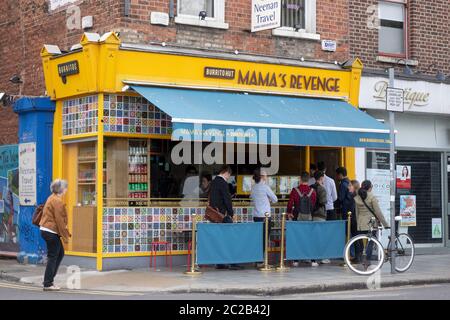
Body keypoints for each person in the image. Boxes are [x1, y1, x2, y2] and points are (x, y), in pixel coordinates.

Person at [39, 179, 71, 291]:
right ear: (61, 189)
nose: (66, 190)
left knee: (60, 253)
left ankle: (49, 280)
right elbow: (60, 220)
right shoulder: (57, 201)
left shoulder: (52, 197)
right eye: (66, 187)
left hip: (47, 230)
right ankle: (48, 283)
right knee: (53, 256)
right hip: (50, 231)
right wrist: (66, 236)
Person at [209, 165, 241, 270]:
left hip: (214, 215)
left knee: (219, 239)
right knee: (230, 238)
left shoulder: (213, 182)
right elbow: (227, 200)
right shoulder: (222, 183)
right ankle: (232, 262)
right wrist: (231, 213)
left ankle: (220, 262)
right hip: (222, 216)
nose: (228, 177)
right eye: (229, 175)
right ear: (226, 172)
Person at [353, 180, 390, 264]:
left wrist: (358, 223)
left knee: (362, 240)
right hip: (371, 223)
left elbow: (356, 213)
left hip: (361, 223)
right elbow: (378, 212)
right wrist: (385, 224)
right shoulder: (372, 197)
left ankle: (362, 256)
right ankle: (367, 258)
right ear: (370, 188)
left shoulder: (357, 197)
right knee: (372, 240)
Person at [250, 168, 278, 261]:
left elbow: (252, 200)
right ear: (262, 177)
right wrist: (268, 200)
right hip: (265, 217)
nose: (267, 177)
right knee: (265, 239)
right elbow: (275, 199)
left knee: (257, 239)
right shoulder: (265, 187)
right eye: (266, 175)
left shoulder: (253, 187)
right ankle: (263, 260)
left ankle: (257, 258)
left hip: (256, 216)